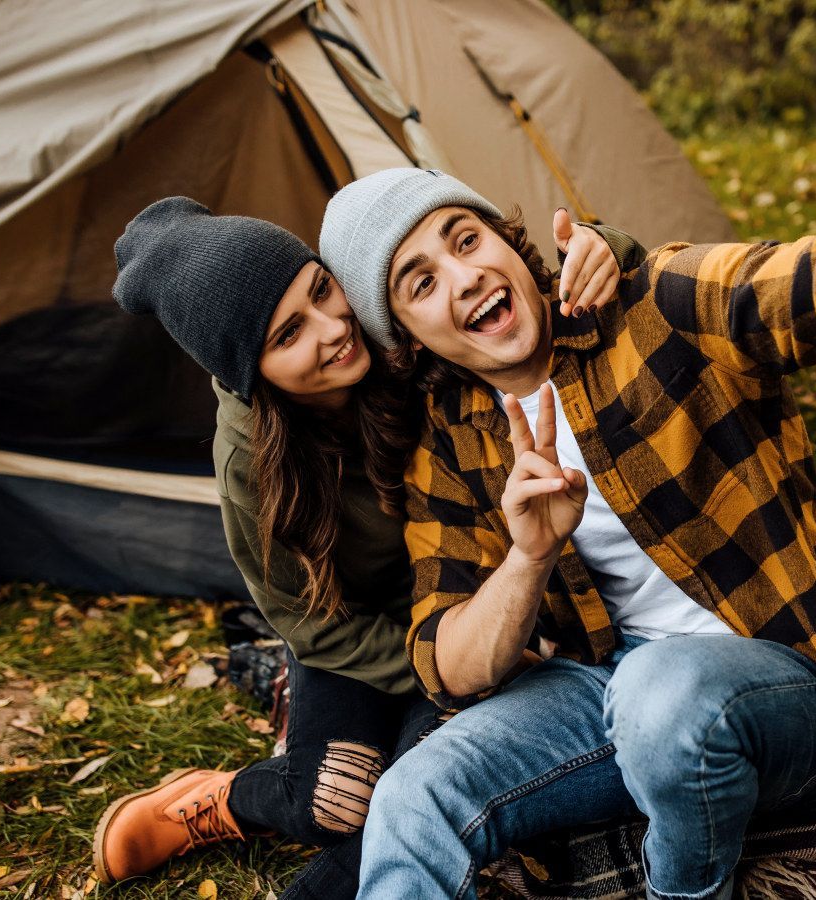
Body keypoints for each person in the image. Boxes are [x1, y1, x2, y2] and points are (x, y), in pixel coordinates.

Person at [317, 9, 816, 899]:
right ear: (412, 339)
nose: (464, 277)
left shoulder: (653, 303)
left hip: (770, 687)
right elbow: (450, 659)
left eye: (464, 239)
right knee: (414, 792)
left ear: (508, 243)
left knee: (661, 696)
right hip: (609, 698)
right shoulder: (453, 436)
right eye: (420, 282)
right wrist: (529, 556)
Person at [92, 197, 630, 895]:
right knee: (336, 801)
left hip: (470, 595)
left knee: (429, 782)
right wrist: (440, 663)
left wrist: (605, 245)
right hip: (360, 639)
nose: (333, 328)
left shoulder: (393, 330)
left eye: (321, 289)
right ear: (252, 374)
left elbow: (515, 285)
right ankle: (223, 802)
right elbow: (310, 625)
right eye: (289, 334)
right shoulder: (249, 465)